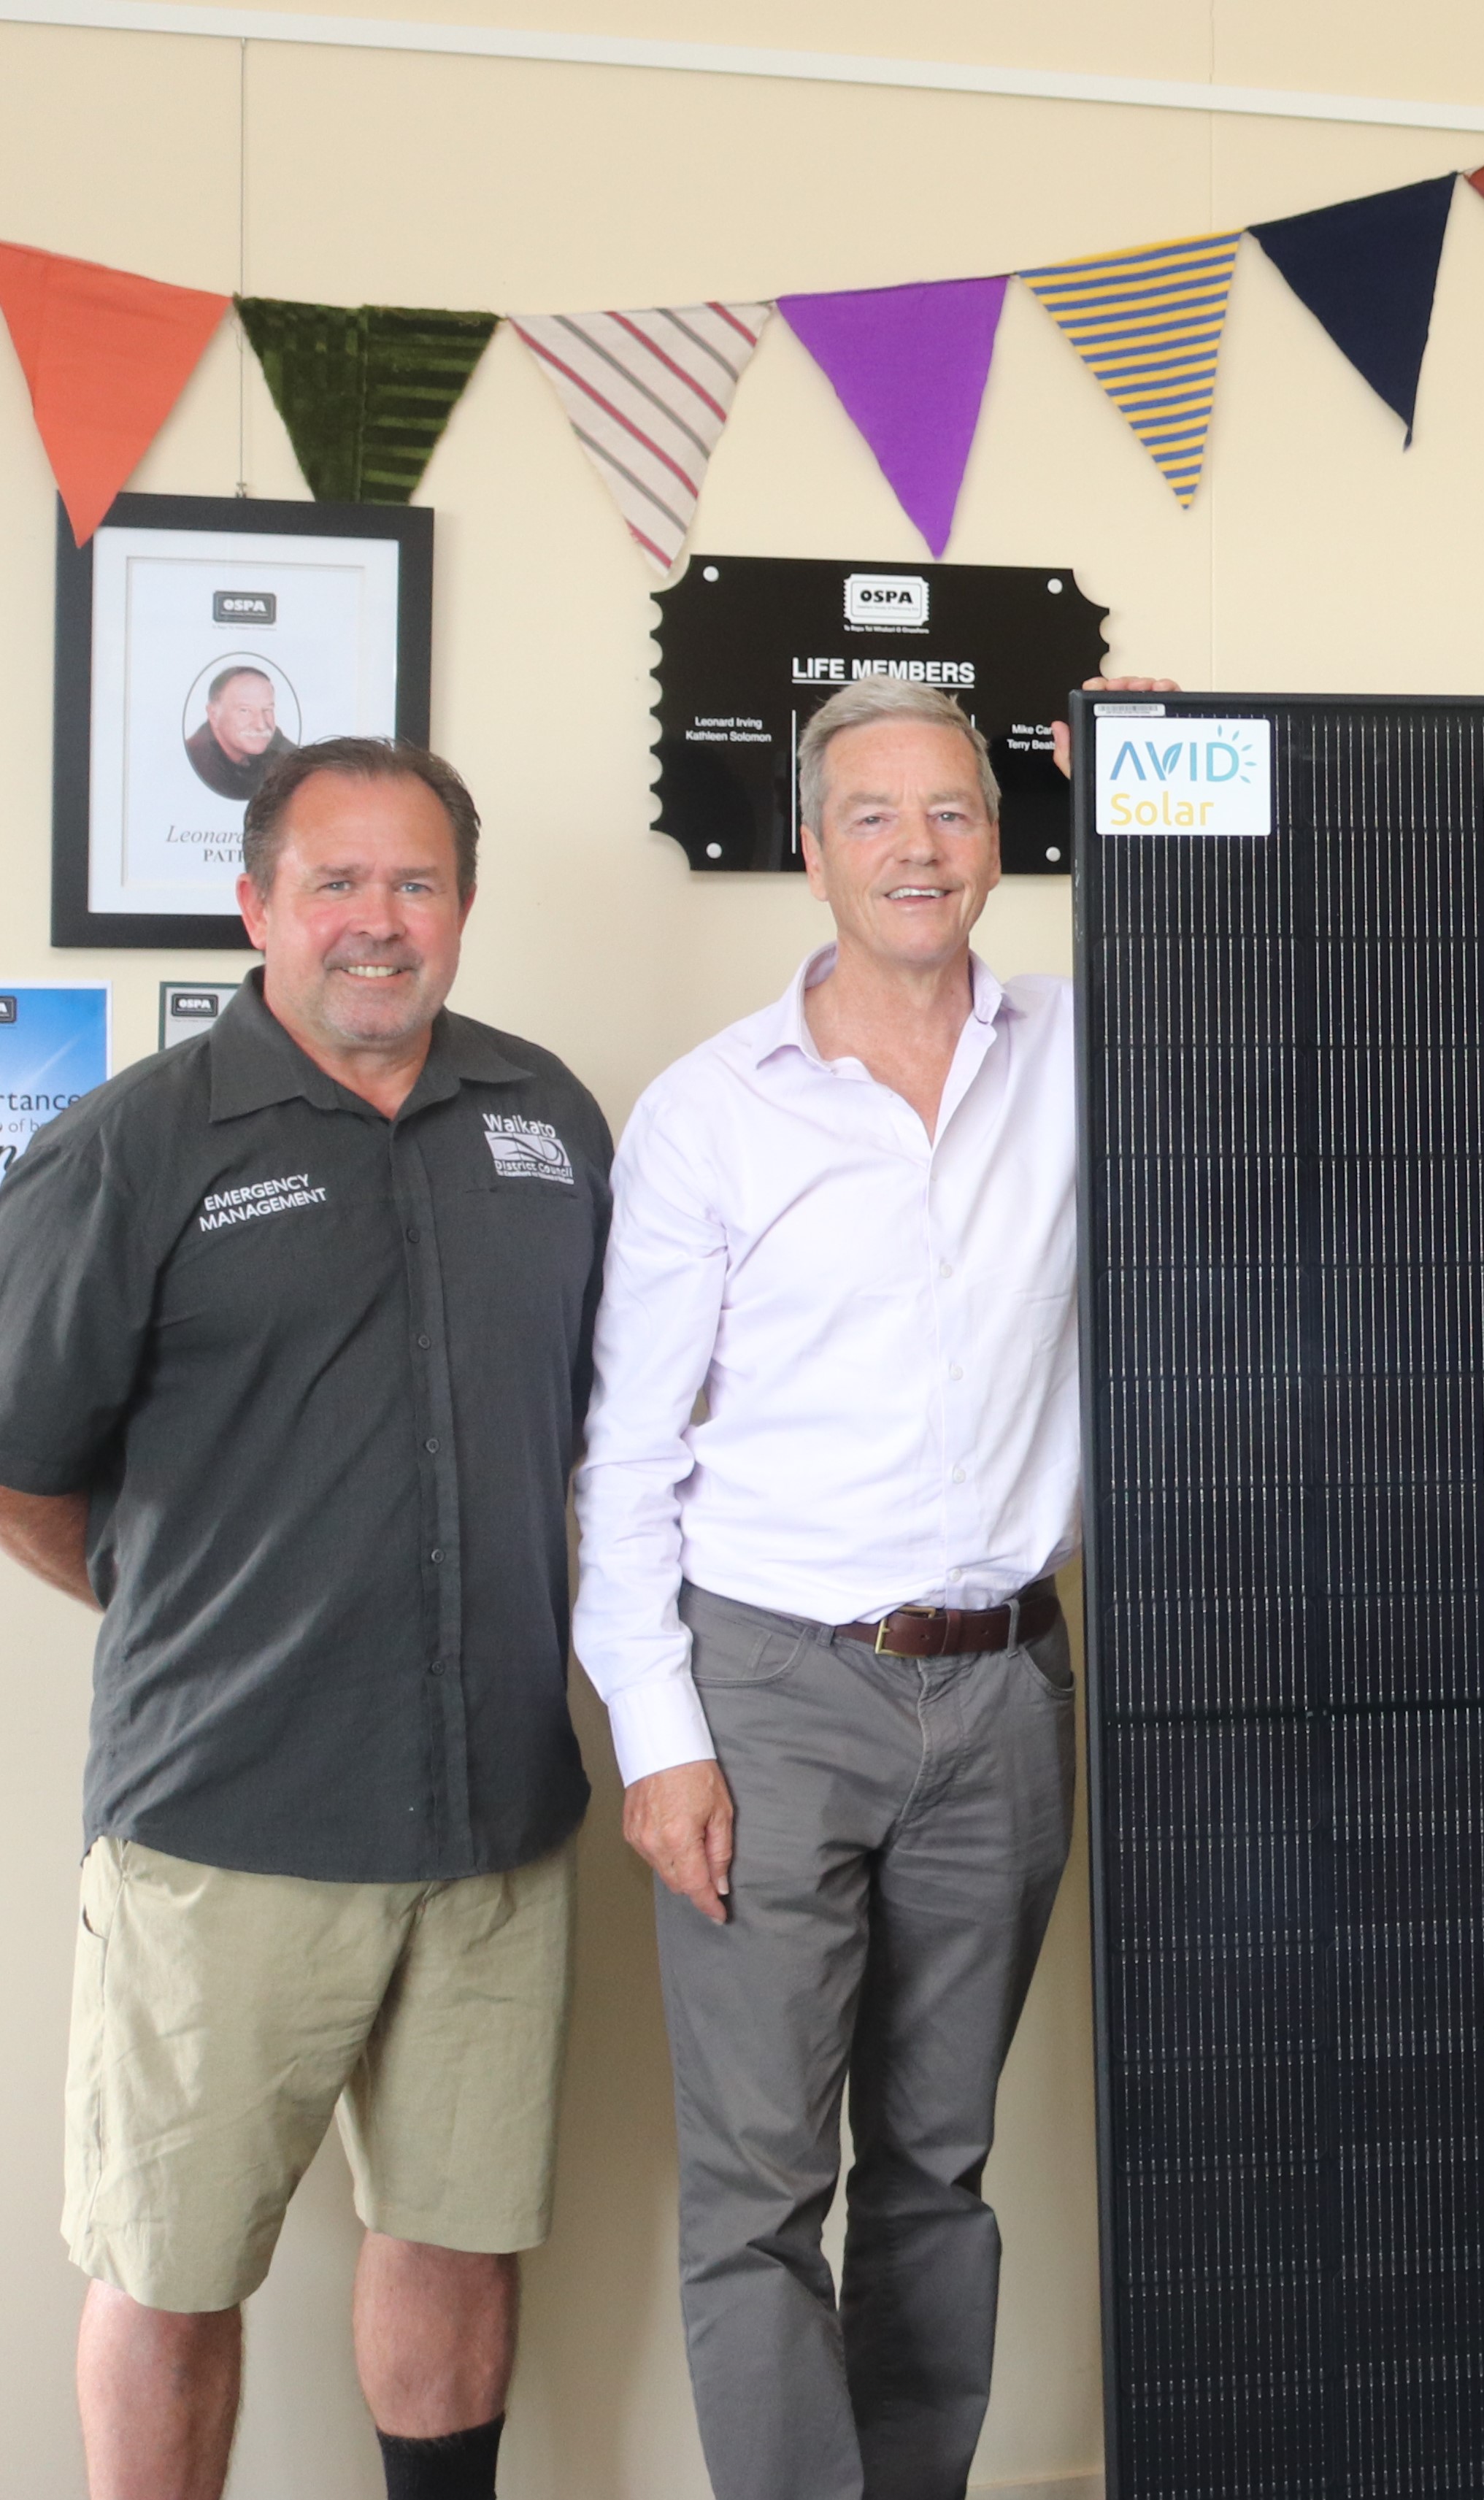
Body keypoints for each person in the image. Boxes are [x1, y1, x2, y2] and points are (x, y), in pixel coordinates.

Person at [0, 738, 610, 2500]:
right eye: (333, 881)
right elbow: (25, 1462)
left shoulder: (545, 1119)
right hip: (226, 1835)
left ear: (464, 910)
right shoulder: (136, 1146)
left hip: (497, 1824)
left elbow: (611, 1423)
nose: (376, 920)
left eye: (414, 883)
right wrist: (190, 1612)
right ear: (255, 901)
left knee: (457, 2238)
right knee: (173, 2274)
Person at [574, 674, 1082, 2499]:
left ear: (1000, 840)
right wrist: (659, 1738)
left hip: (1009, 1686)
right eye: (872, 816)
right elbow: (626, 1457)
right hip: (769, 1694)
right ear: (808, 852)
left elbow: (1292, 998)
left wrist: (1175, 779)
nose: (918, 849)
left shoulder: (1095, 1053)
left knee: (938, 2167)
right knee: (760, 2188)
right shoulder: (708, 1114)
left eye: (952, 810)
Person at [182, 665, 299, 802]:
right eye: (245, 711)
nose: (261, 725)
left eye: (267, 710)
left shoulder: (278, 748)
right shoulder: (190, 766)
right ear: (214, 715)